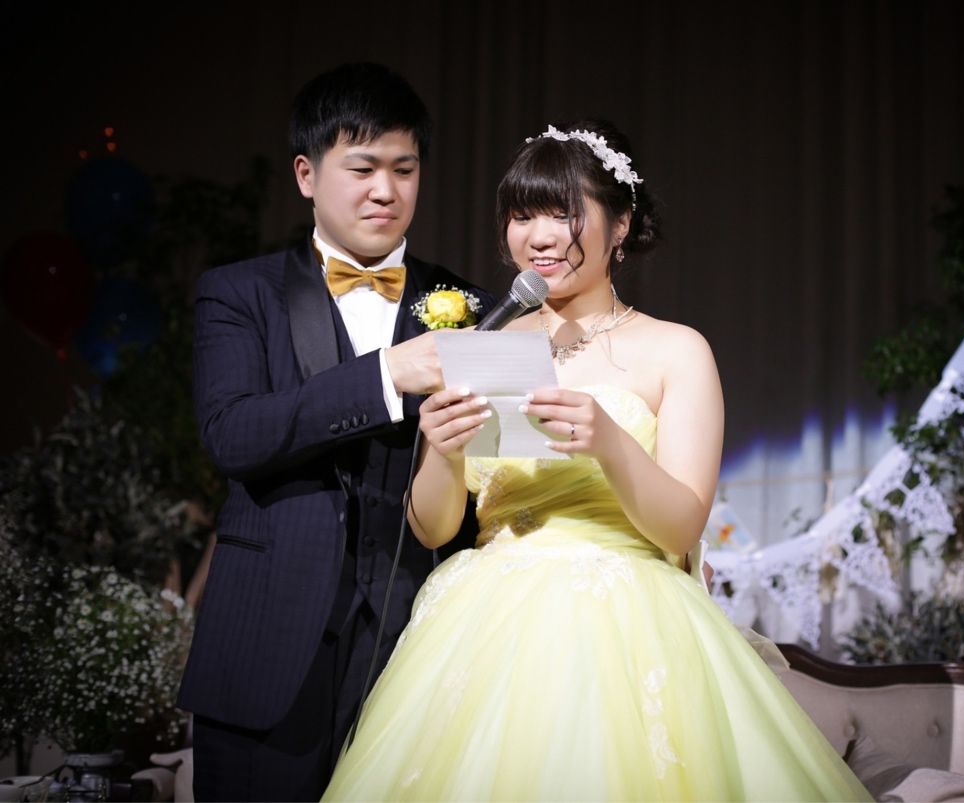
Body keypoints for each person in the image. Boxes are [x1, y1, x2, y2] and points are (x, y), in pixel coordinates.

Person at [320, 119, 871, 801]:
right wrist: (442, 446)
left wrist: (609, 442)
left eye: (565, 214)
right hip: (484, 621)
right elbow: (433, 526)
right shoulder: (485, 342)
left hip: (628, 620)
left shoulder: (676, 350)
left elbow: (681, 528)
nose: (539, 236)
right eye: (522, 216)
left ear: (621, 225)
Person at [177, 62, 494, 802]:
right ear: (306, 175)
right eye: (362, 168)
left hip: (414, 645)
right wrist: (385, 375)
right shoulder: (239, 293)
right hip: (266, 644)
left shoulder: (471, 306)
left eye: (404, 169)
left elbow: (494, 477)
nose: (385, 190)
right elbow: (232, 434)